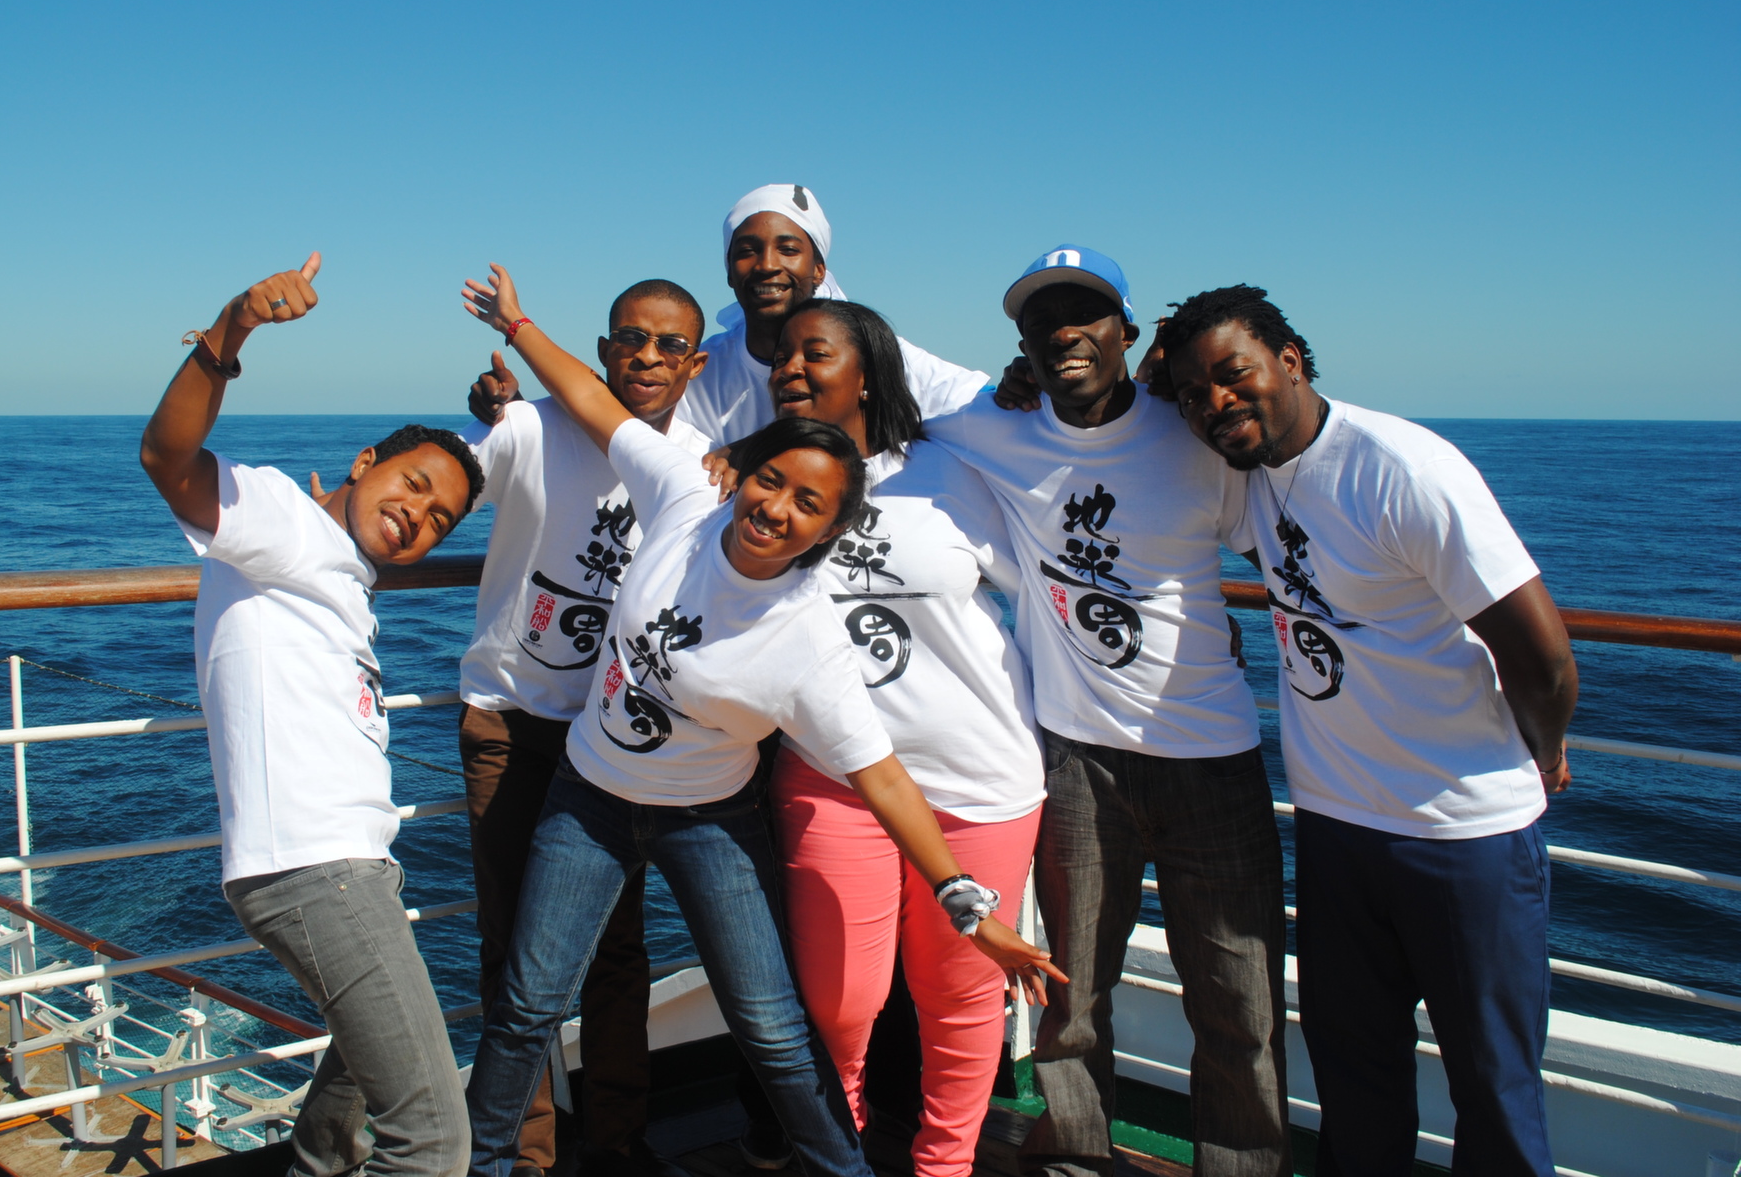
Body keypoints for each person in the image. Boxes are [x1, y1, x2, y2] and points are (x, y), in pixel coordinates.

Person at [455, 264, 1059, 1177]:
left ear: (831, 533)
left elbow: (882, 776)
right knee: (528, 1006)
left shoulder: (807, 643)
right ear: (741, 471)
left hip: (709, 818)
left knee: (775, 1024)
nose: (776, 509)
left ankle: (842, 1168)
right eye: (770, 480)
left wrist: (967, 903)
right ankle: (487, 1164)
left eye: (808, 504)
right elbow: (588, 398)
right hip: (590, 797)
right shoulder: (685, 498)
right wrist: (518, 324)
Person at [1157, 285, 1577, 1176]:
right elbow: (1157, 407)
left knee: (1494, 1086)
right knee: (1356, 1076)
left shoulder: (1401, 468)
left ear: (1291, 361)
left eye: (1234, 377)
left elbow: (1541, 653)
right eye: (1194, 395)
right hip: (1340, 830)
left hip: (1460, 836)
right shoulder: (1256, 473)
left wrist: (1546, 747)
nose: (1215, 403)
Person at [923, 247, 1292, 1177]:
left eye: (1085, 315)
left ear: (1129, 334)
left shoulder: (1196, 435)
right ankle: (1075, 1156)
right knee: (1072, 993)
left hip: (1211, 756)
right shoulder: (992, 428)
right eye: (1043, 323)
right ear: (1021, 345)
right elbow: (873, 394)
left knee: (1238, 1001)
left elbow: (1294, 516)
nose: (1063, 335)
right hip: (1075, 761)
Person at [139, 253, 482, 1177]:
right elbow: (168, 460)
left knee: (349, 1108)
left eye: (443, 520)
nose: (420, 517)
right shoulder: (287, 523)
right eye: (412, 486)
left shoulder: (344, 579)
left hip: (351, 867)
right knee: (433, 1141)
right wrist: (230, 332)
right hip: (312, 870)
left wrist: (494, 420)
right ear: (365, 463)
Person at [758, 299, 1051, 1177]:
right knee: (840, 1005)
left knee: (959, 999)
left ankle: (944, 1168)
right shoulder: (763, 480)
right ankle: (835, 1160)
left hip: (975, 777)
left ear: (870, 373)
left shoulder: (951, 476)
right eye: (782, 357)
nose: (791, 369)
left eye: (815, 354)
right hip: (834, 775)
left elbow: (1043, 593)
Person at [455, 280, 712, 1177]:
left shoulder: (703, 465)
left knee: (616, 952)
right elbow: (447, 487)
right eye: (630, 341)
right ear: (602, 351)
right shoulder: (531, 431)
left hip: (616, 742)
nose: (646, 358)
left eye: (668, 345)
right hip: (512, 727)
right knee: (512, 957)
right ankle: (525, 1155)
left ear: (695, 363)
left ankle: (617, 1147)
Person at [468, 185, 989, 444]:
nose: (766, 265)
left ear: (819, 266)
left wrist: (1026, 382)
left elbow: (980, 404)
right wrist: (519, 410)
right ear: (727, 270)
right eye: (747, 250)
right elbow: (611, 411)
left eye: (788, 249)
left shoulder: (876, 356)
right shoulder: (702, 366)